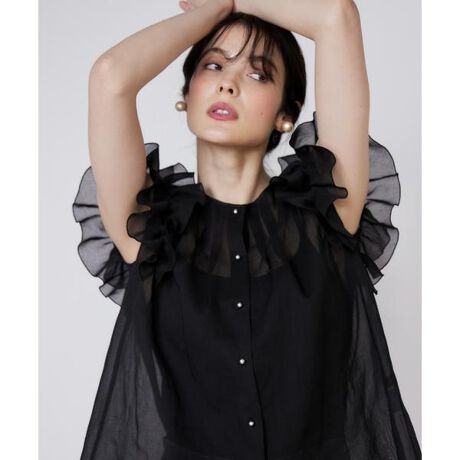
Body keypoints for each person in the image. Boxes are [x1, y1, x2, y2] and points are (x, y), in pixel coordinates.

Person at [72, 0, 422, 458]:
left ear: (285, 114)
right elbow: (110, 77)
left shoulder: (326, 213)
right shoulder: (152, 233)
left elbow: (336, 17)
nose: (228, 83)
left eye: (257, 74)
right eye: (214, 65)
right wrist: (211, 12)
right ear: (187, 96)